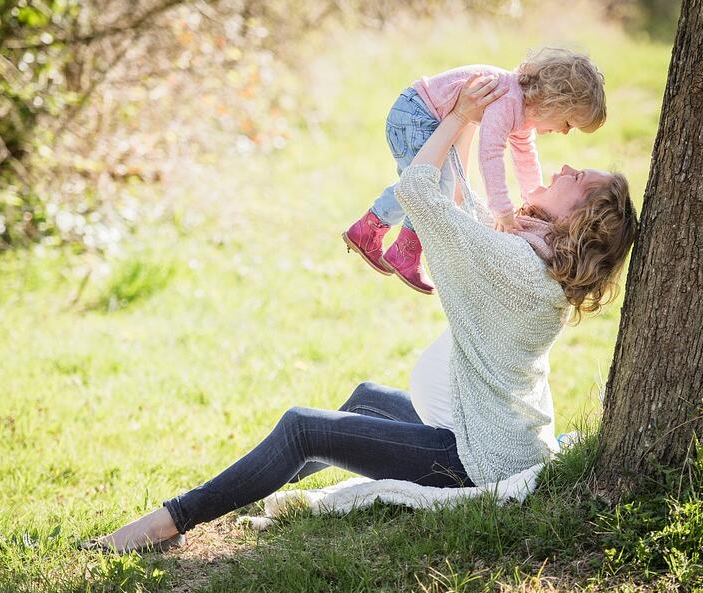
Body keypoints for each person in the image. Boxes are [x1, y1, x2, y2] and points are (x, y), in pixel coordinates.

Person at [83, 74, 636, 554]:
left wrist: (461, 117)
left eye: (580, 179)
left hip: (474, 458)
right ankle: (247, 487)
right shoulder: (538, 262)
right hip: (493, 434)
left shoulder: (516, 265)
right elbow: (464, 206)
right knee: (365, 399)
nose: (565, 166)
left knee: (304, 427)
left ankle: (170, 522)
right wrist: (470, 122)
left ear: (580, 221)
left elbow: (420, 190)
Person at [343, 48, 606, 294]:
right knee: (430, 184)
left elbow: (525, 156)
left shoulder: (523, 111)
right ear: (553, 102)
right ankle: (402, 249)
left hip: (422, 116)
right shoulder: (508, 100)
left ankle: (372, 232)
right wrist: (501, 209)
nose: (563, 132)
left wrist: (532, 196)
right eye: (568, 123)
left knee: (429, 183)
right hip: (415, 115)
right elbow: (490, 154)